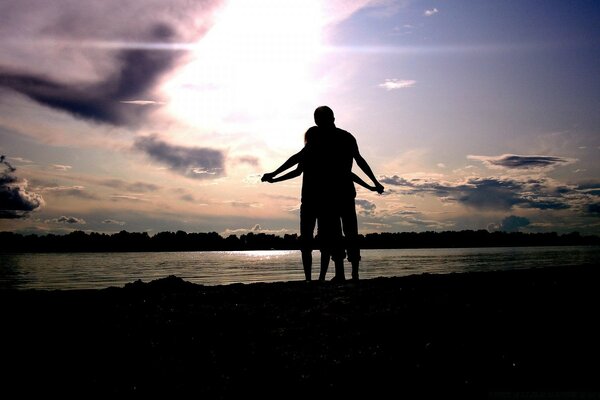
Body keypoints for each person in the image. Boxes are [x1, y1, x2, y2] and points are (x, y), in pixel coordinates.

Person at [263, 106, 384, 281]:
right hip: (334, 194)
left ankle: (349, 273)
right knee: (342, 233)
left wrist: (374, 182)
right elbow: (299, 160)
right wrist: (374, 183)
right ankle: (347, 273)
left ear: (329, 119)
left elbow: (298, 159)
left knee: (343, 232)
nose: (318, 123)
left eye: (319, 120)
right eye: (317, 121)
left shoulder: (325, 138)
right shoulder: (333, 137)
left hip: (333, 194)